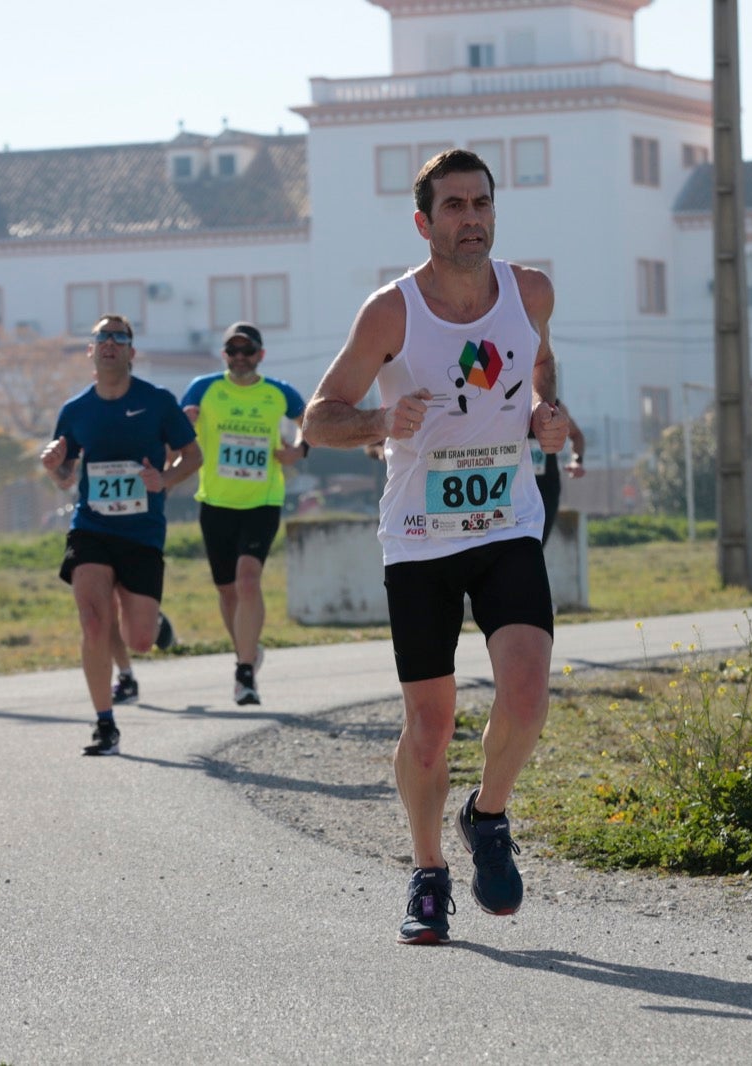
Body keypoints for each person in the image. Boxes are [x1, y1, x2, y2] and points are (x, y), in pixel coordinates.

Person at [303, 147, 571, 945]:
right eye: (453, 206)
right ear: (424, 223)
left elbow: (542, 363)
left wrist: (546, 415)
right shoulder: (392, 312)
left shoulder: (530, 292)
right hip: (419, 538)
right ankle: (427, 873)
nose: (471, 219)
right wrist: (382, 423)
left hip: (506, 523)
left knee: (526, 695)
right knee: (430, 725)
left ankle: (487, 816)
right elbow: (319, 418)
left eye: (480, 203)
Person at [40, 314, 202, 755]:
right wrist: (55, 465)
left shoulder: (158, 402)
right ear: (91, 351)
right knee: (93, 620)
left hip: (142, 532)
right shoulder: (75, 411)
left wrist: (164, 481)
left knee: (140, 639)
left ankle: (154, 623)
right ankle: (104, 723)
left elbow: (193, 456)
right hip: (91, 527)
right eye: (102, 337)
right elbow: (65, 475)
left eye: (119, 337)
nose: (110, 342)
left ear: (131, 351)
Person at [180, 322, 308, 706]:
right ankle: (248, 652)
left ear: (260, 354)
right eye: (231, 351)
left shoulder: (279, 392)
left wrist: (299, 451)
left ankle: (244, 672)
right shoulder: (203, 388)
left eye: (246, 351)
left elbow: (311, 424)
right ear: (224, 355)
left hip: (262, 500)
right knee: (227, 591)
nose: (239, 358)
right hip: (216, 502)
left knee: (248, 580)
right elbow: (178, 428)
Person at [530, 400, 585, 546]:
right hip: (511, 491)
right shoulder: (502, 402)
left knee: (534, 549)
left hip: (544, 492)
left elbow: (577, 435)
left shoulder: (552, 406)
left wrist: (577, 461)